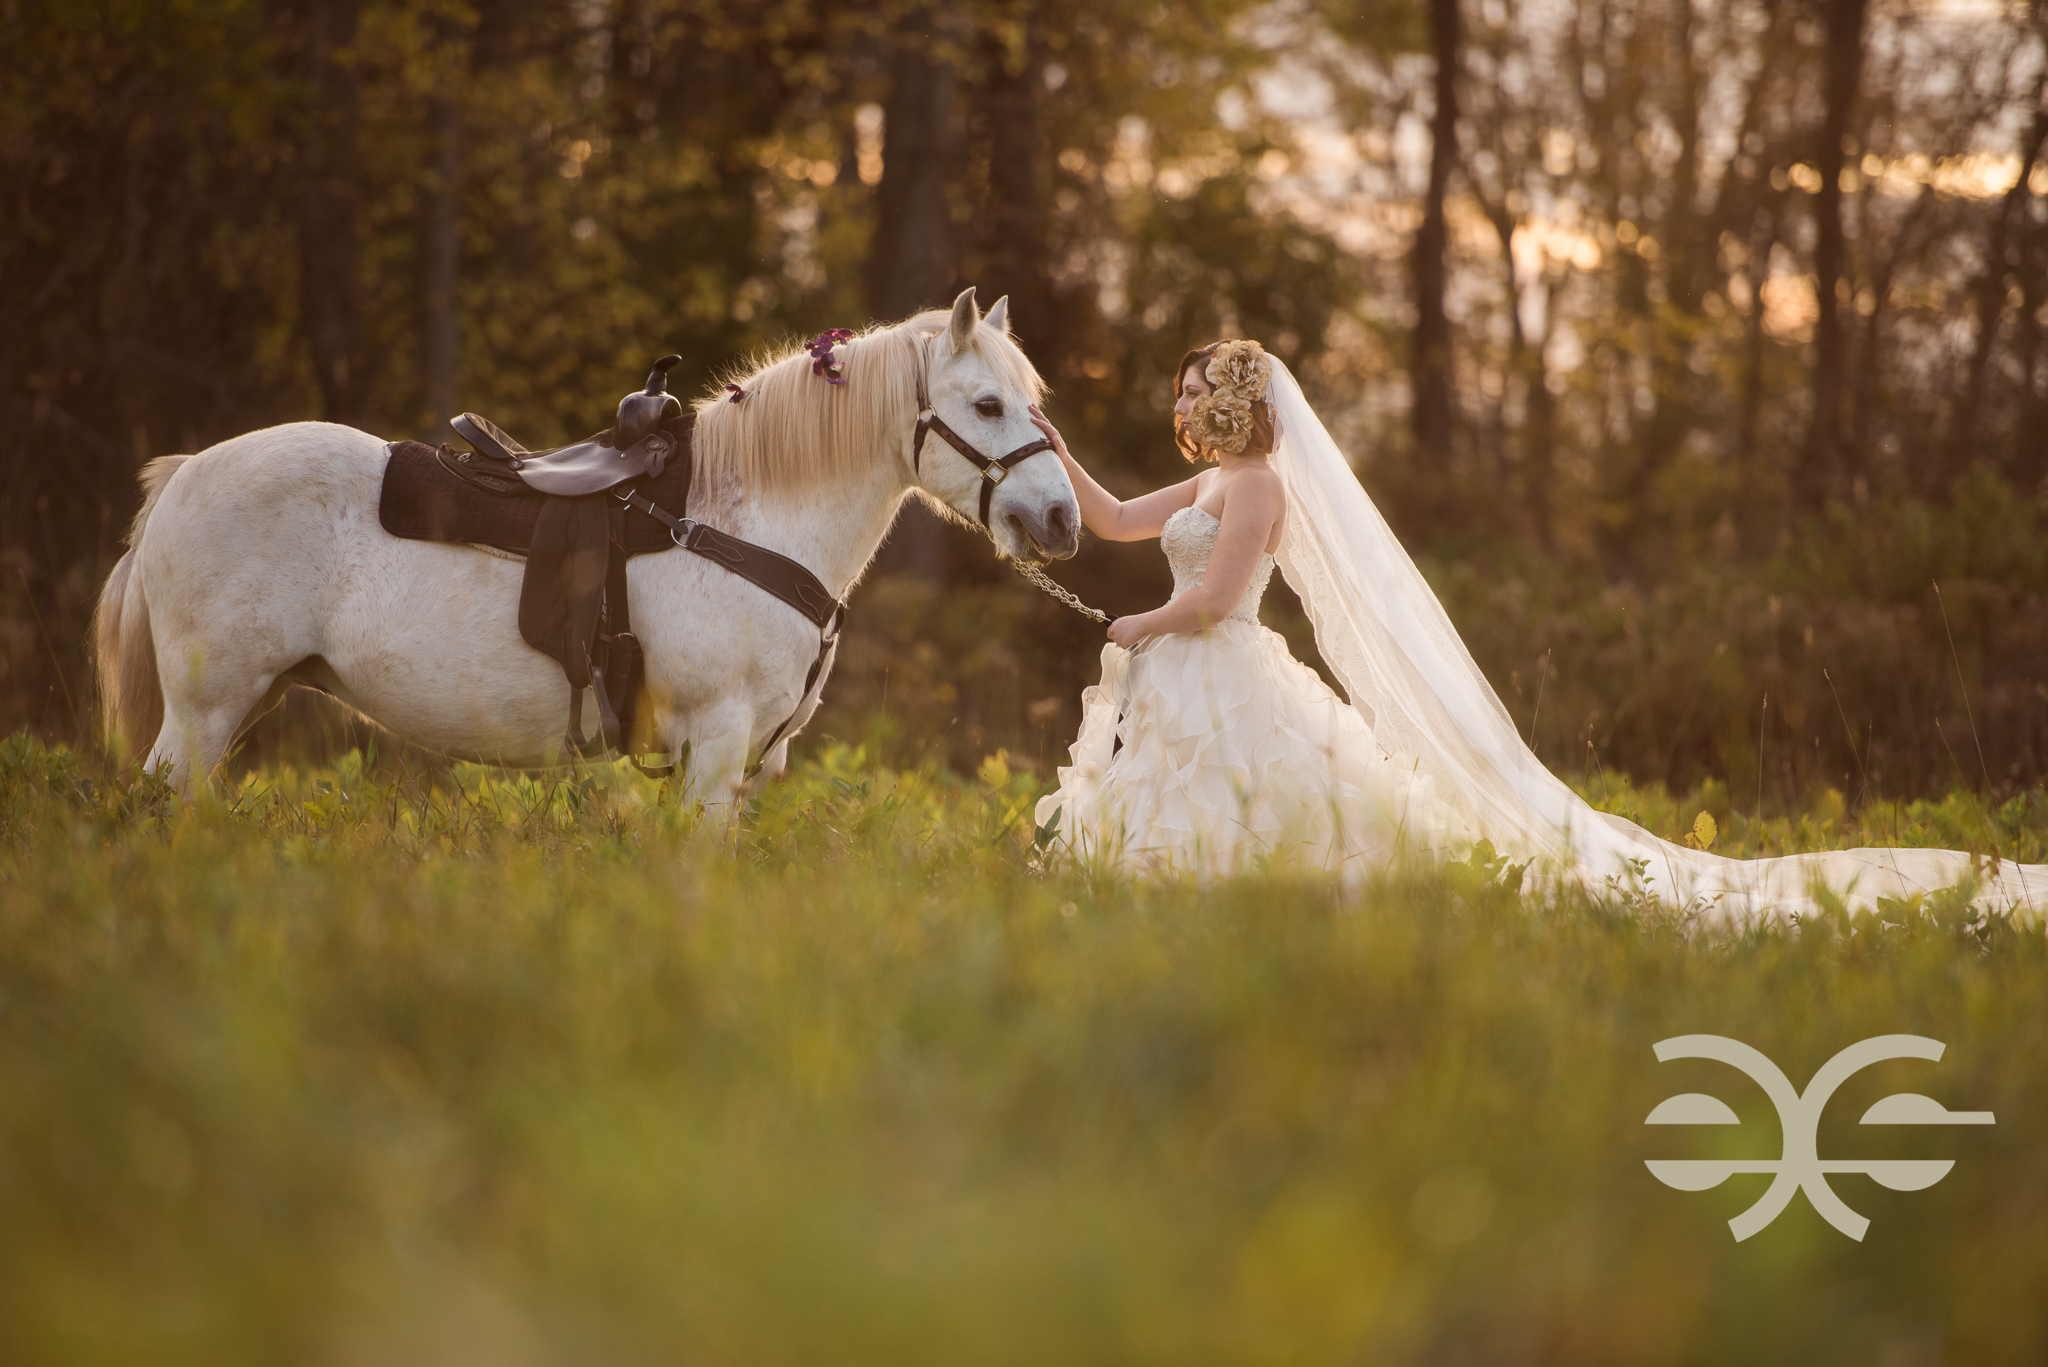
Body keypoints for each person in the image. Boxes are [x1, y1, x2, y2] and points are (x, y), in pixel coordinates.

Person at [1028, 340, 2048, 922]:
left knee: (1258, 797)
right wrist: (1054, 454)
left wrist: (1139, 622)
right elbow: (1117, 519)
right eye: (1182, 390)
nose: (1183, 400)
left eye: (1194, 386)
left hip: (1221, 662)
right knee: (1175, 793)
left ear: (1236, 402)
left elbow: (1211, 599)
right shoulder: (1210, 479)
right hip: (1177, 671)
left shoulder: (1253, 488)